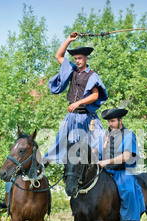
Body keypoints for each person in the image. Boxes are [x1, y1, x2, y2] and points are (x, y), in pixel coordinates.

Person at [43, 32, 108, 165]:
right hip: (72, 117)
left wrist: (78, 102)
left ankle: (104, 169)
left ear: (86, 58)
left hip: (87, 118)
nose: (77, 61)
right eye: (75, 58)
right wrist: (68, 40)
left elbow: (95, 95)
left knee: (99, 143)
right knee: (60, 144)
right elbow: (58, 56)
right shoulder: (71, 70)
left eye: (80, 58)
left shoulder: (92, 75)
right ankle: (43, 165)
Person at [97, 108, 146, 221]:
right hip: (105, 171)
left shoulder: (128, 134)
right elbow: (98, 151)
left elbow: (126, 156)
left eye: (112, 121)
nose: (110, 124)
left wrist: (106, 161)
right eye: (109, 122)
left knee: (129, 191)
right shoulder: (105, 135)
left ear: (120, 120)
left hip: (122, 171)